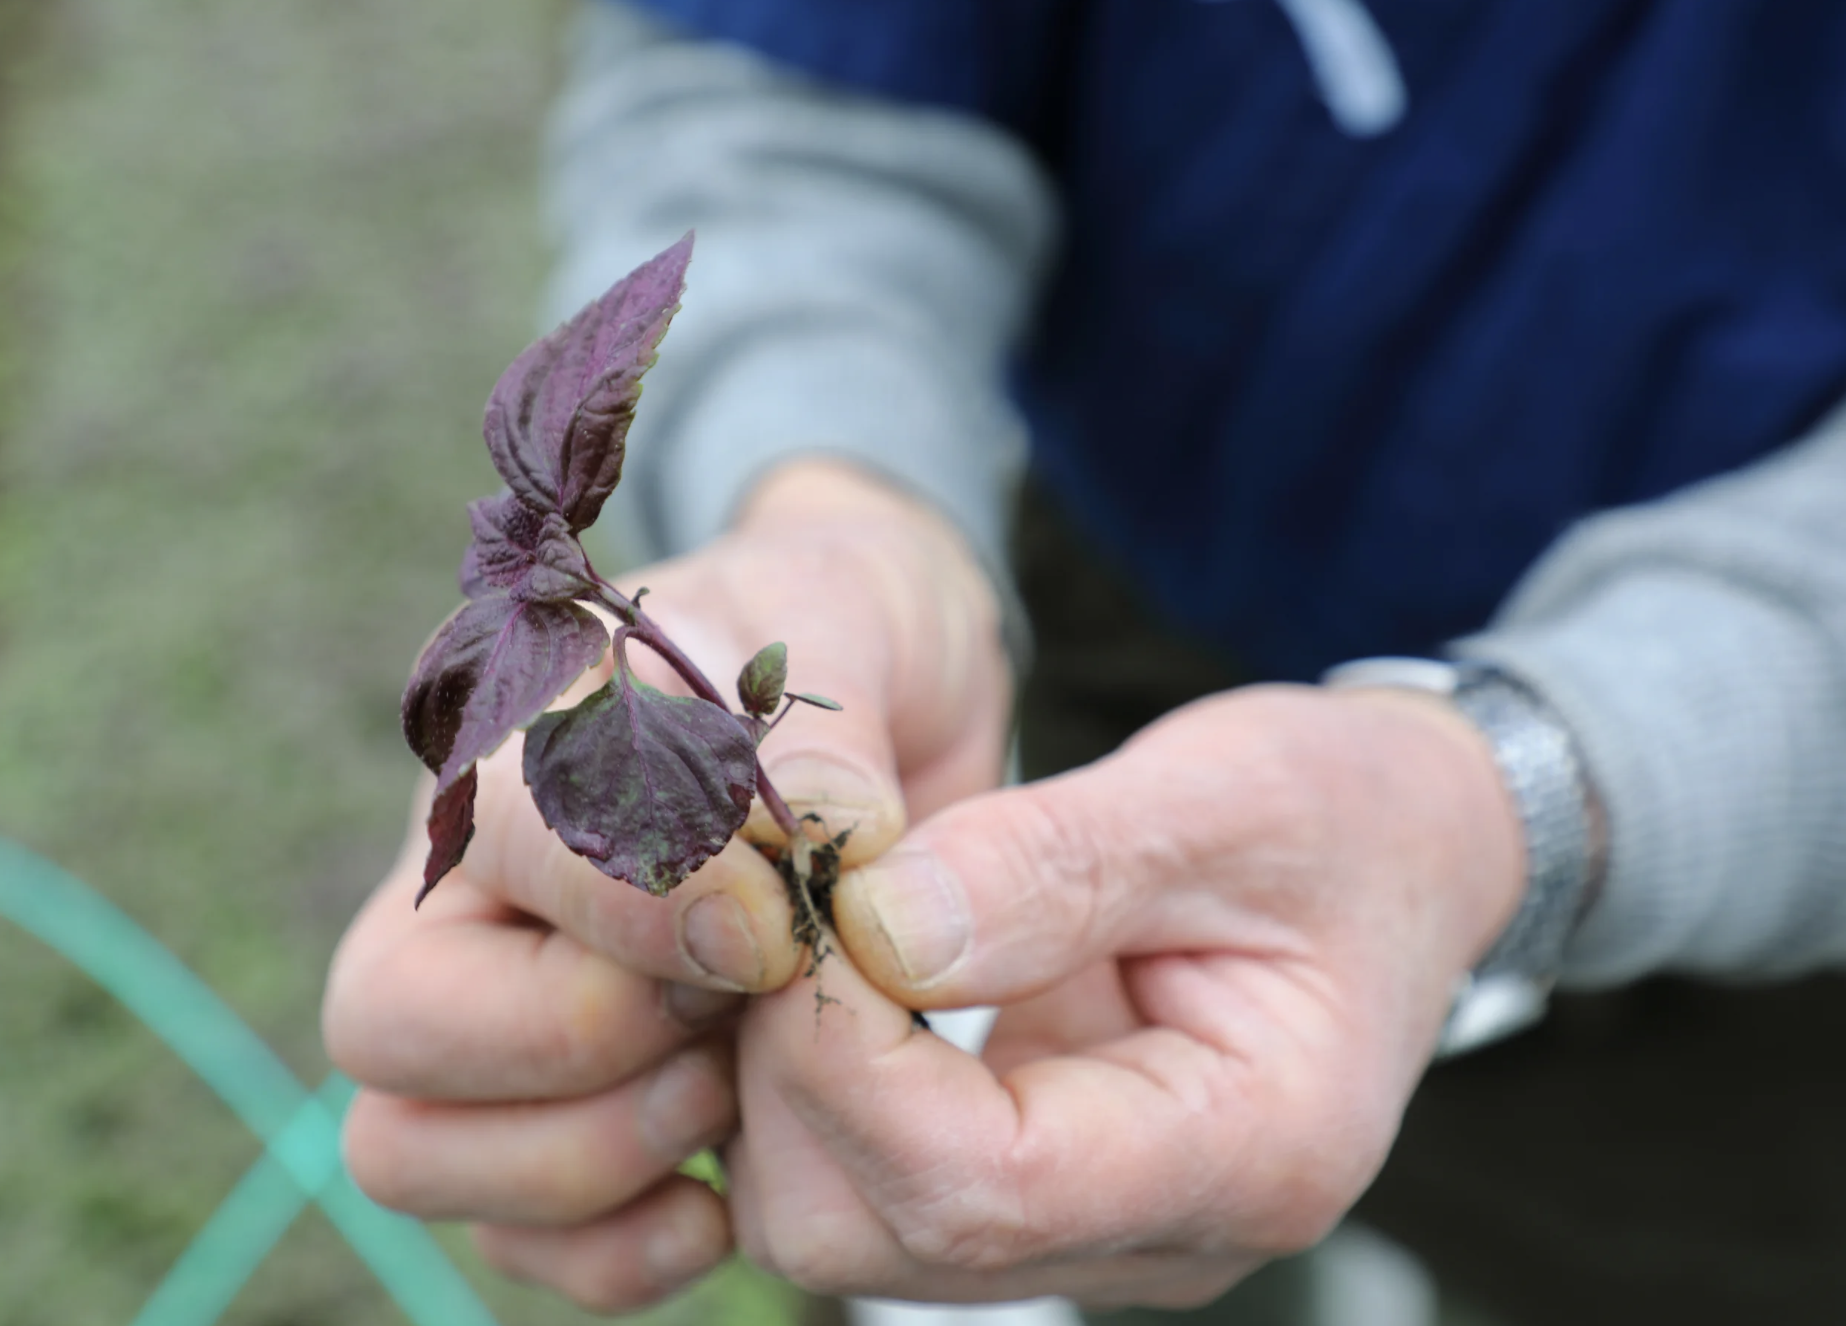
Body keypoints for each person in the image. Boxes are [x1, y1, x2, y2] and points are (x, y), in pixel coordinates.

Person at [322, 3, 1846, 1323]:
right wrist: (836, 502)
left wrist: (1518, 789)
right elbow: (782, 82)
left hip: (1764, 913)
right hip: (1109, 602)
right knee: (986, 1169)